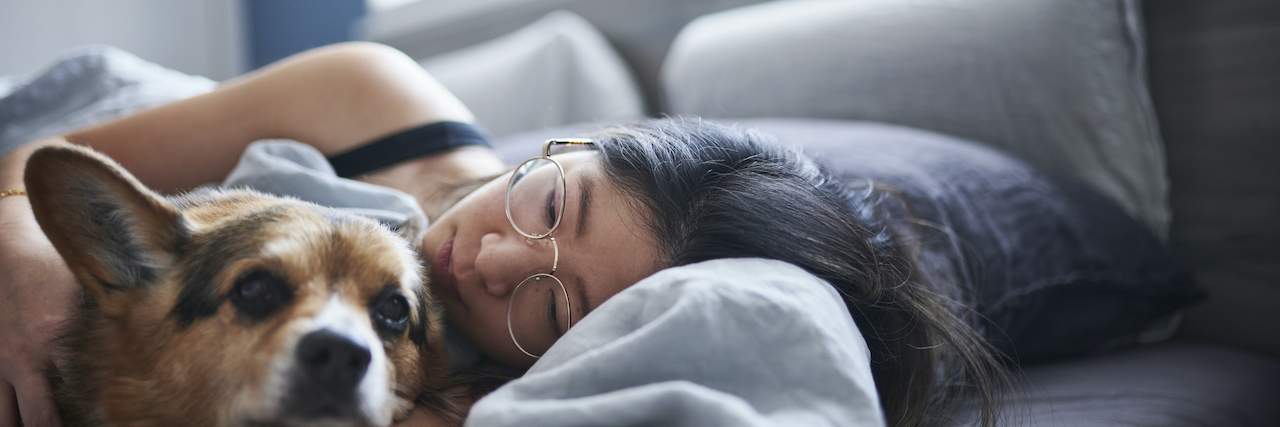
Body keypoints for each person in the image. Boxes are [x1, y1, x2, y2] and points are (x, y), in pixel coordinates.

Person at [0, 42, 1004, 427]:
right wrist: (25, 254)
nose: (488, 258)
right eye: (553, 204)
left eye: (549, 301)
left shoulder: (475, 382)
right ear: (581, 142)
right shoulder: (372, 90)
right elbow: (24, 179)